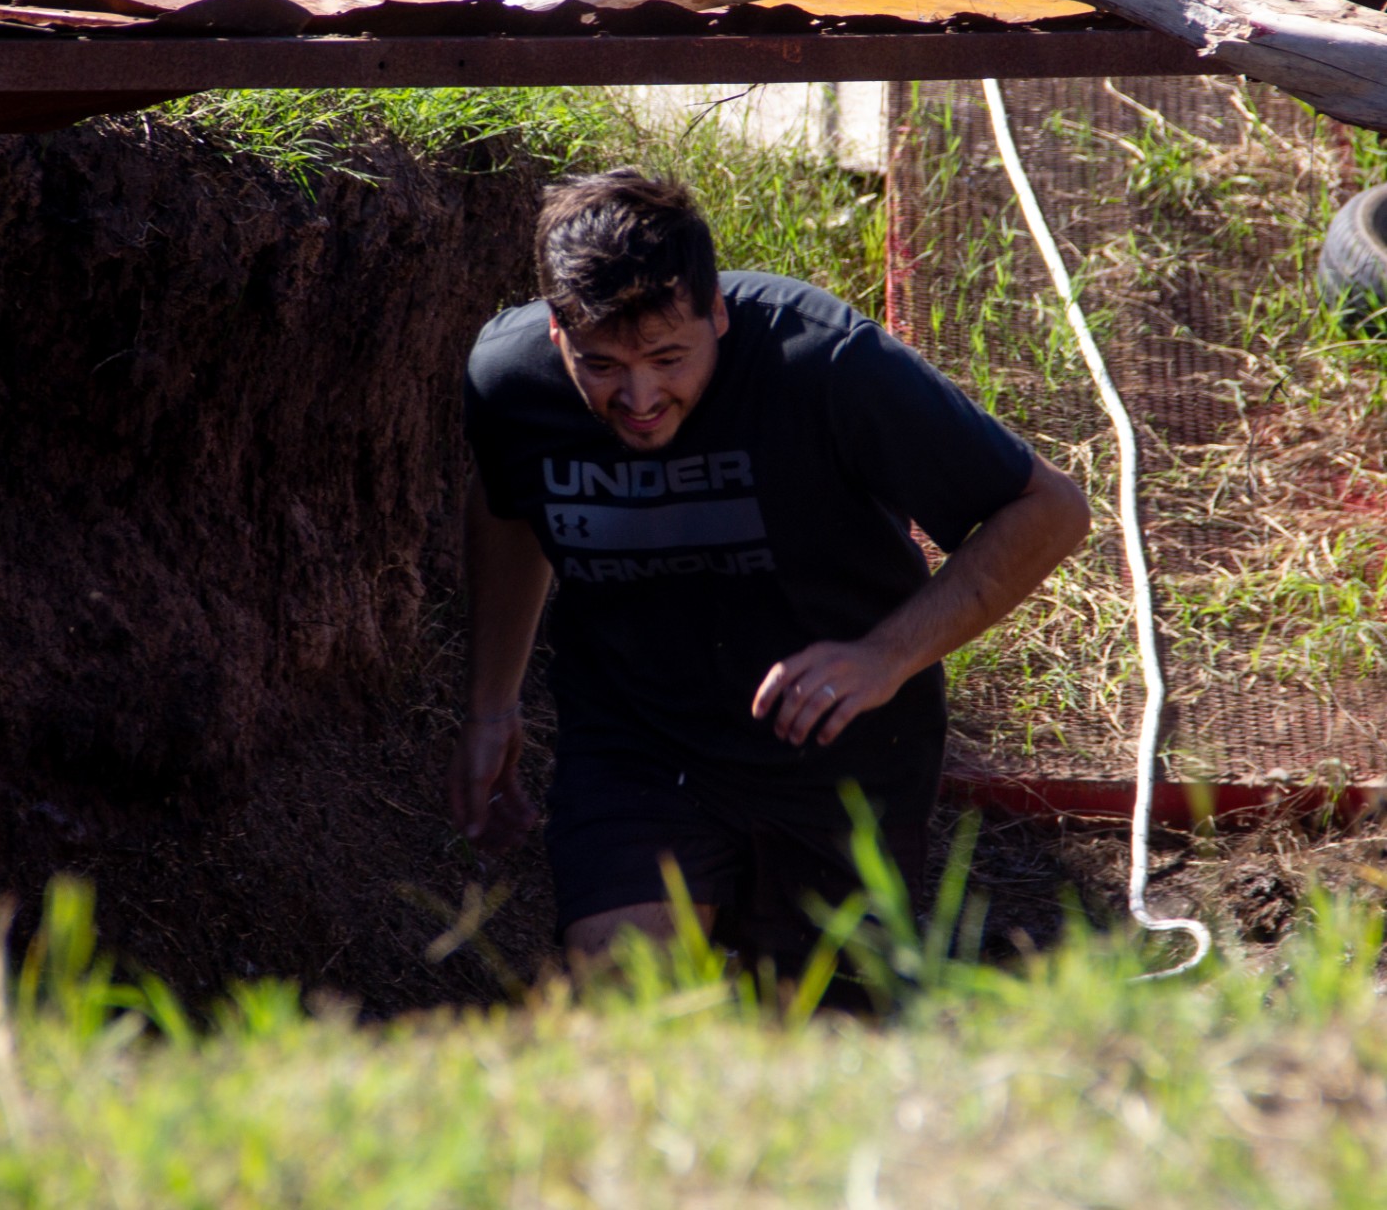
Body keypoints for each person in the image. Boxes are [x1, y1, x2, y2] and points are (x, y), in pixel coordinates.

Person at [452, 168, 1089, 978]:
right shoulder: (509, 383)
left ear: (718, 311)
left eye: (667, 356)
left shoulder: (824, 363)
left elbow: (1049, 512)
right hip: (636, 742)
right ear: (555, 333)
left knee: (807, 1038)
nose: (639, 397)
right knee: (624, 982)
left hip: (837, 751)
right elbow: (511, 506)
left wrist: (883, 656)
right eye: (601, 365)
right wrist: (489, 707)